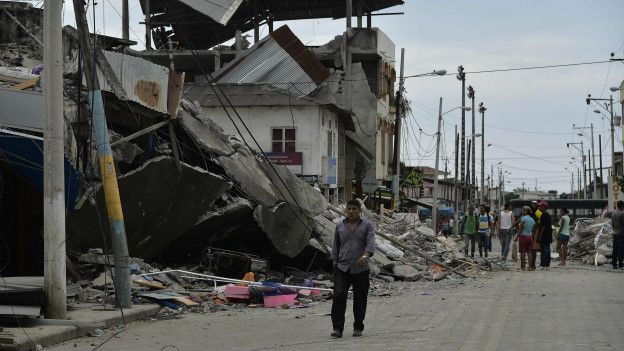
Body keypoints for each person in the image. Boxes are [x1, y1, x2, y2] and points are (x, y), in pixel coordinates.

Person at [331, 199, 375, 338]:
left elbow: (371, 243)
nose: (351, 211)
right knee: (338, 295)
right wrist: (334, 260)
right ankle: (337, 328)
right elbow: (335, 245)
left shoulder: (367, 225)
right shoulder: (339, 226)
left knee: (360, 298)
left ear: (360, 211)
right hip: (342, 267)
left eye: (354, 209)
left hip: (360, 268)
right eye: (349, 209)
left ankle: (358, 327)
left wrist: (366, 256)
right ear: (346, 210)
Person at [514, 206, 536, 270]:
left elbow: (520, 230)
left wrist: (516, 237)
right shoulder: (532, 219)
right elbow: (533, 229)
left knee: (522, 253)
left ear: (526, 211)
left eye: (522, 210)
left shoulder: (523, 219)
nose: (521, 211)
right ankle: (529, 267)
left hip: (523, 237)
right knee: (529, 252)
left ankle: (523, 267)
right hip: (530, 237)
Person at [537, 201, 552, 269]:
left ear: (543, 207)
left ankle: (543, 265)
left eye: (540, 206)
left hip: (544, 235)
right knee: (548, 250)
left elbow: (543, 226)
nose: (538, 207)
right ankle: (547, 264)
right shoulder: (548, 214)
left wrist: (540, 235)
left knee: (544, 250)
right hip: (548, 234)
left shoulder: (543, 214)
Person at [611, 200, 624, 269]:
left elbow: (612, 225)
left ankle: (614, 264)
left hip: (615, 234)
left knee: (615, 249)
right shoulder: (622, 213)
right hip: (621, 234)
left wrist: (615, 230)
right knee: (621, 250)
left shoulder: (613, 214)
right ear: (622, 206)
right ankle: (621, 264)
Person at [530, 201, 541, 270]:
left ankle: (532, 265)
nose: (533, 205)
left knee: (533, 249)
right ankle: (532, 264)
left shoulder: (537, 213)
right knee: (532, 249)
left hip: (534, 232)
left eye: (535, 204)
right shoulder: (534, 213)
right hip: (534, 232)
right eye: (533, 204)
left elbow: (537, 223)